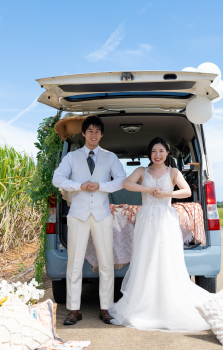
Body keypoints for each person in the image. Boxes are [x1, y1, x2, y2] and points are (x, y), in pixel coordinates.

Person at [108, 137, 211, 332]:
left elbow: (186, 191)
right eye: (154, 151)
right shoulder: (141, 171)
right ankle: (144, 303)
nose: (157, 155)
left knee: (165, 258)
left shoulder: (173, 171)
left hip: (165, 217)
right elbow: (127, 184)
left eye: (161, 151)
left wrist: (165, 194)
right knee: (146, 258)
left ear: (167, 153)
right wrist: (147, 189)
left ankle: (167, 302)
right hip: (146, 217)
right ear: (150, 154)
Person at [51, 115, 126, 325]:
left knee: (106, 263)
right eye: (90, 131)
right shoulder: (71, 158)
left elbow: (121, 179)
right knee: (74, 264)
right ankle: (74, 309)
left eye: (97, 131)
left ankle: (106, 308)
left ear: (101, 134)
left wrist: (102, 186)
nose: (94, 134)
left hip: (102, 216)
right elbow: (57, 178)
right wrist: (78, 185)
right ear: (83, 133)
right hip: (78, 215)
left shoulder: (110, 157)